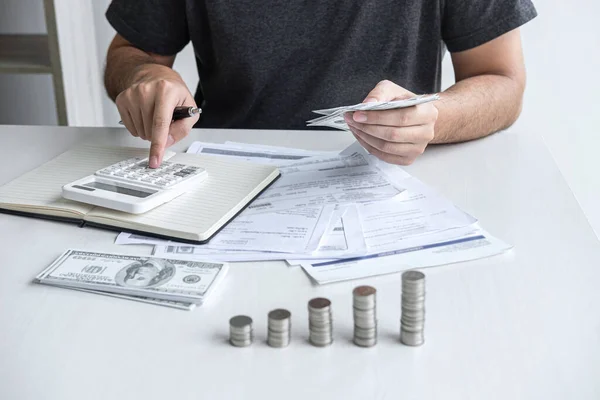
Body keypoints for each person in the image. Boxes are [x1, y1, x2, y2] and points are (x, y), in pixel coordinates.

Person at [103, 0, 537, 168]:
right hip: (224, 174)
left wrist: (434, 118)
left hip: (393, 176)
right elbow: (129, 54)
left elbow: (501, 80)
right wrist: (147, 76)